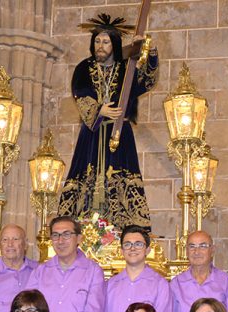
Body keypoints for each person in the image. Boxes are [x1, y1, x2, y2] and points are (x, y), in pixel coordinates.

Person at [57, 13, 159, 230]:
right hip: (92, 135)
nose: (100, 46)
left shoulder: (126, 68)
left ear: (114, 44)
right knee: (86, 174)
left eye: (105, 42)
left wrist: (150, 53)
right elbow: (80, 92)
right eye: (96, 41)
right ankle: (83, 223)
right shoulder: (84, 68)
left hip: (119, 133)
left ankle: (124, 226)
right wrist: (99, 109)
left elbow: (146, 81)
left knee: (122, 174)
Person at [25, 216, 105, 312]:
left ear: (79, 238)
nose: (60, 240)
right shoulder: (40, 272)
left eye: (66, 234)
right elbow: (27, 308)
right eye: (55, 235)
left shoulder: (93, 271)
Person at [98, 225, 172, 312]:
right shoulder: (110, 285)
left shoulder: (160, 284)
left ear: (147, 250)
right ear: (121, 251)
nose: (132, 248)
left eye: (138, 244)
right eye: (127, 244)